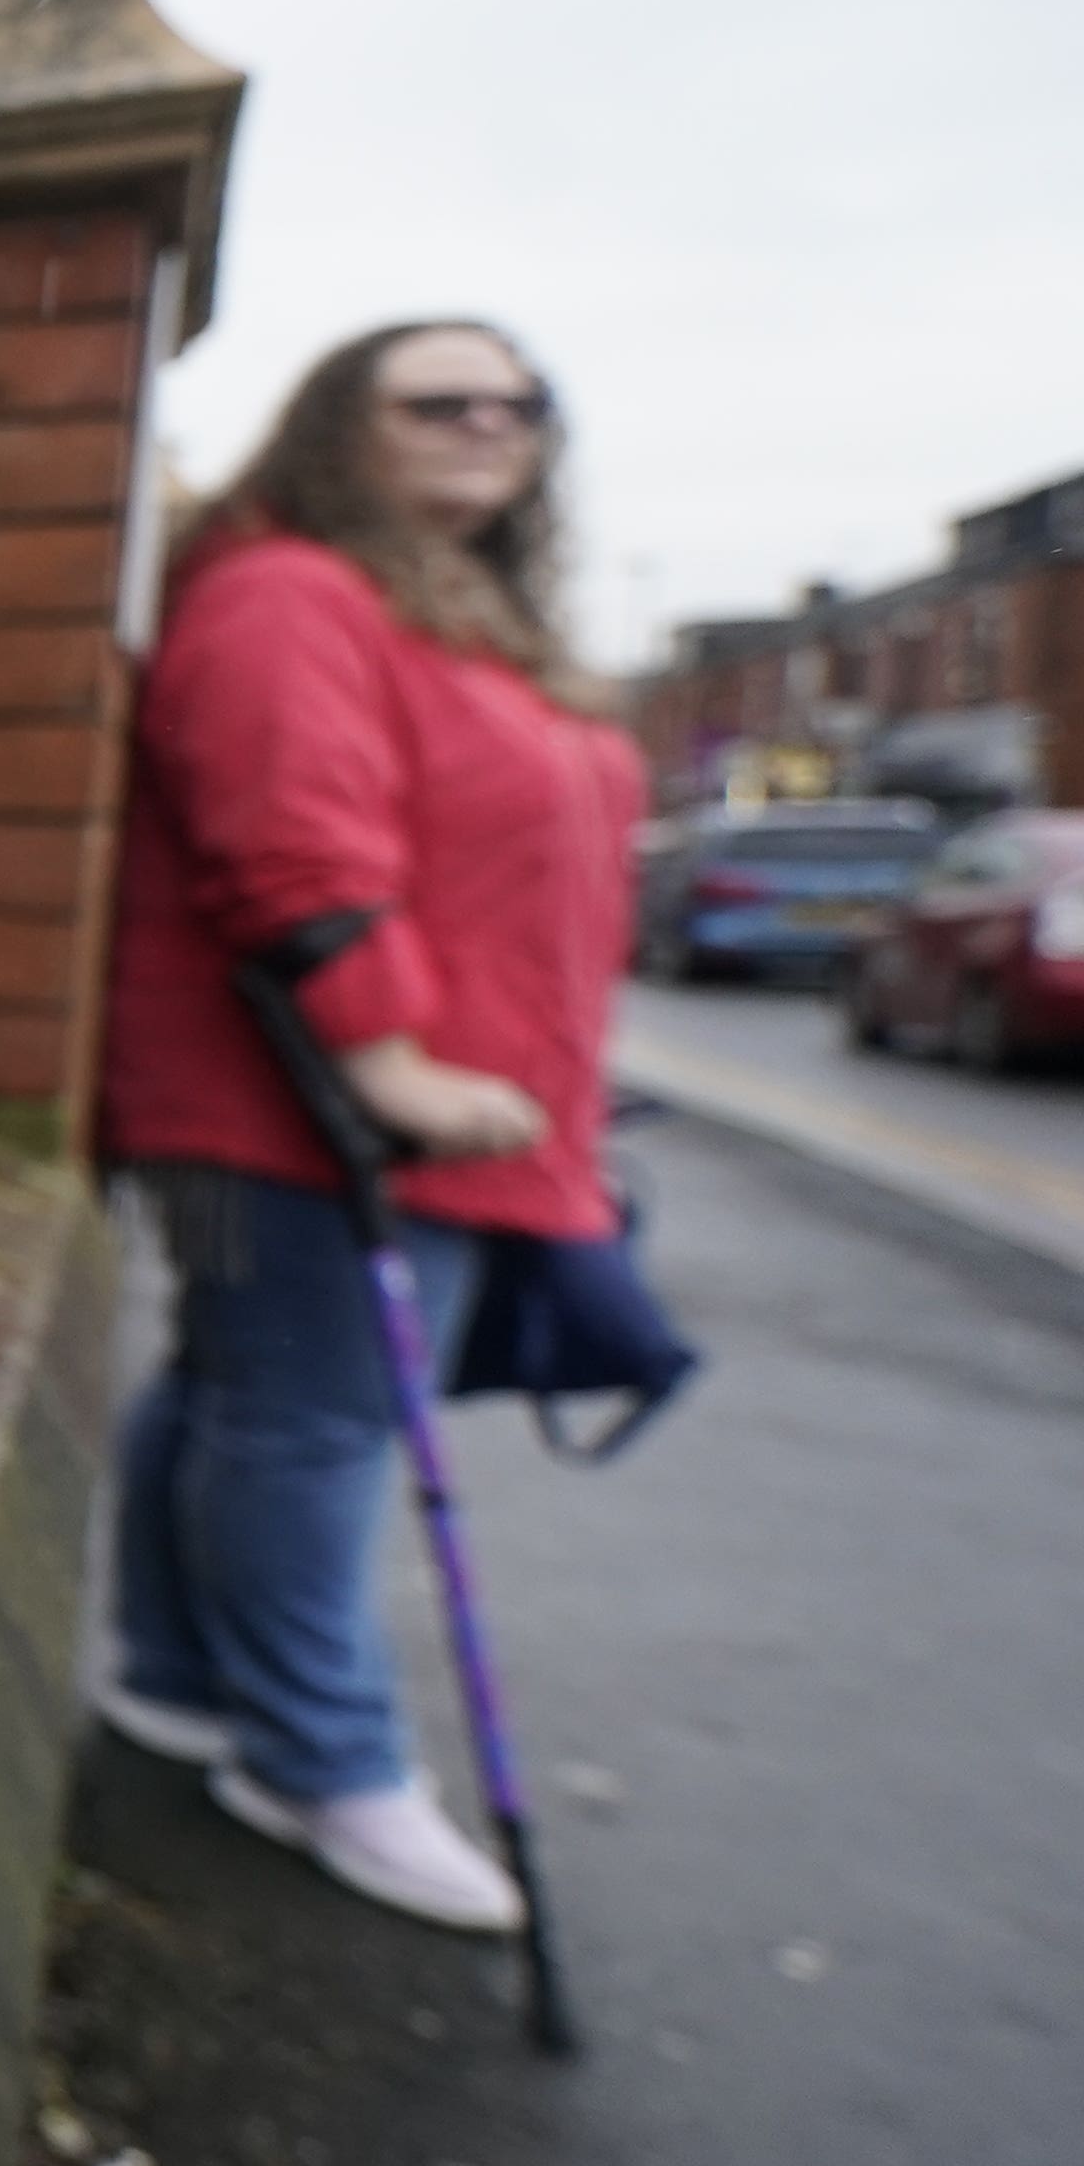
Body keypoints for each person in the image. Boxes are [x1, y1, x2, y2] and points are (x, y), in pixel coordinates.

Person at [92, 319, 641, 1931]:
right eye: (439, 401)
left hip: (405, 1114)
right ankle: (321, 1764)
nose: (486, 427)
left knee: (239, 1393)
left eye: (517, 407)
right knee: (311, 1428)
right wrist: (390, 1060)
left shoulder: (448, 617)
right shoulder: (292, 592)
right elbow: (294, 833)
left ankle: (179, 1676)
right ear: (347, 422)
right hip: (309, 1119)